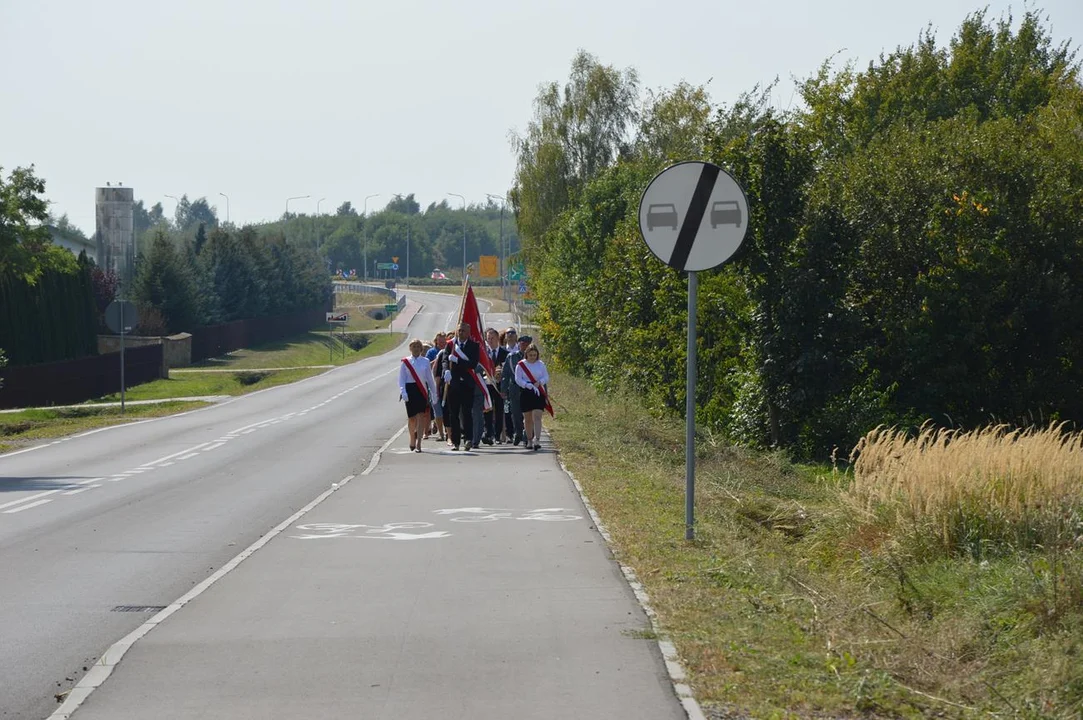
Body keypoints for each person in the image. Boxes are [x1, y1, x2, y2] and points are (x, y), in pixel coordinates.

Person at [440, 321, 480, 451]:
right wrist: (446, 370)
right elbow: (445, 359)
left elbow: (472, 364)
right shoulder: (450, 345)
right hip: (454, 383)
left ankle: (468, 439)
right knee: (454, 413)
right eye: (459, 330)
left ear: (468, 332)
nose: (460, 333)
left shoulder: (474, 346)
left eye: (463, 331)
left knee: (467, 412)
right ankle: (456, 442)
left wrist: (458, 360)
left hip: (467, 383)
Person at [399, 339, 438, 452]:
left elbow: (430, 379)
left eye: (418, 346)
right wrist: (403, 391)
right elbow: (401, 379)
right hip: (410, 390)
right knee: (412, 418)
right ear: (410, 348)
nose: (416, 349)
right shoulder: (405, 362)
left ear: (421, 349)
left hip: (421, 390)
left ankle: (419, 443)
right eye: (414, 346)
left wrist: (434, 393)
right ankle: (412, 438)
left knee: (421, 416)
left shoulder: (425, 361)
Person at [515, 342, 550, 451]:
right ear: (526, 354)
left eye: (534, 355)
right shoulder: (521, 365)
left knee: (537, 416)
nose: (532, 357)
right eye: (530, 355)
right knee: (528, 418)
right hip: (526, 392)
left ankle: (537, 440)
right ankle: (529, 440)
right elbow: (518, 379)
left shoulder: (541, 364)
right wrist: (527, 385)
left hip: (538, 392)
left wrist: (540, 382)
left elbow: (546, 377)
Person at [502, 333, 530, 445]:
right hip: (514, 388)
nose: (525, 347)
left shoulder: (533, 357)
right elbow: (506, 374)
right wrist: (503, 389)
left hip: (529, 389)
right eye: (523, 344)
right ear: (519, 344)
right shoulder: (511, 357)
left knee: (528, 413)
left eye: (527, 344)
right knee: (516, 413)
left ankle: (527, 435)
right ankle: (518, 433)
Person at [482, 327, 508, 445]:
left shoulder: (505, 354)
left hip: (499, 387)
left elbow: (507, 372)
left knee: (499, 410)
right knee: (487, 410)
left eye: (492, 338)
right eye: (488, 339)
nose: (490, 341)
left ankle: (497, 435)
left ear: (498, 338)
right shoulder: (484, 354)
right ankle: (489, 434)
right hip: (487, 385)